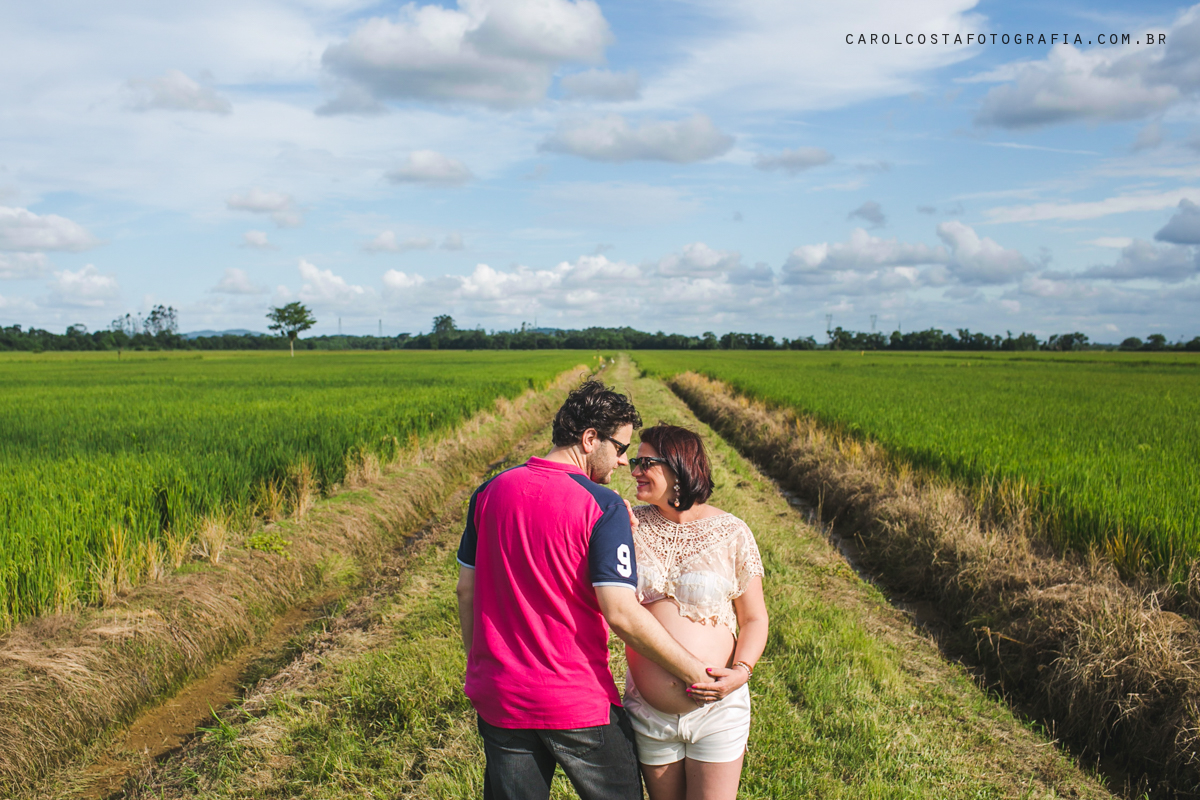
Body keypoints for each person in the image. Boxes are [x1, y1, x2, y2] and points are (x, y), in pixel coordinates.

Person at [456, 381, 718, 800]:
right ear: (590, 439)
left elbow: (465, 592)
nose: (624, 461)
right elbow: (622, 613)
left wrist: (480, 669)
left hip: (500, 697)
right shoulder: (601, 505)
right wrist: (693, 672)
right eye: (620, 448)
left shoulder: (489, 491)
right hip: (576, 701)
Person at [622, 423, 769, 800]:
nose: (635, 470)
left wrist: (741, 672)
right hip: (650, 715)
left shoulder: (732, 532)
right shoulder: (627, 525)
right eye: (635, 462)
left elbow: (754, 618)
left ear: (679, 466)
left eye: (645, 463)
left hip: (718, 712)